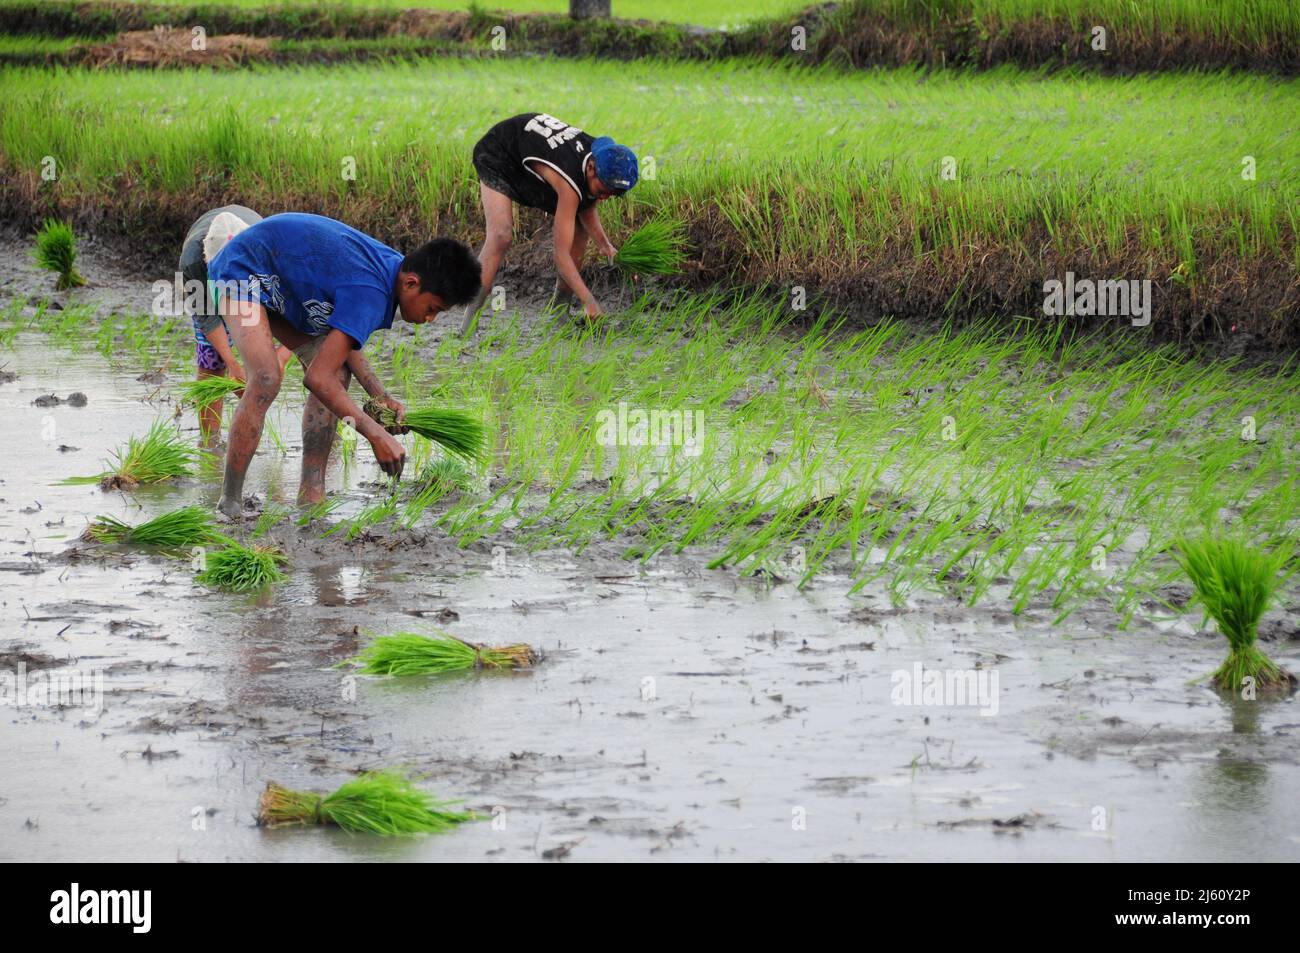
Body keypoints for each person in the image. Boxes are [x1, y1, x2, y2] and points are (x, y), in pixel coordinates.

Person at [207, 212, 481, 517]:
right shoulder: (372, 292)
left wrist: (380, 395)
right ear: (412, 283)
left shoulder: (392, 273)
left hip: (286, 286)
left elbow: (340, 347)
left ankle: (311, 495)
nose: (430, 320)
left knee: (337, 372)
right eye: (432, 309)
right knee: (267, 377)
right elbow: (316, 378)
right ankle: (229, 501)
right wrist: (376, 434)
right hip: (242, 271)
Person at [461, 112, 637, 334]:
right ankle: (467, 325)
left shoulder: (601, 157)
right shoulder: (570, 180)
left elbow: (588, 202)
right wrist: (589, 301)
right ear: (591, 168)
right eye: (603, 190)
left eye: (611, 195)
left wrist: (605, 245)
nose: (604, 197)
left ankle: (559, 314)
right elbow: (560, 255)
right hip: (499, 153)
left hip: (533, 152)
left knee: (579, 225)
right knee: (501, 235)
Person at [178, 205, 292, 446]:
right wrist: (232, 363)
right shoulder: (192, 262)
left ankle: (253, 435)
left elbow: (293, 311)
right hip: (206, 285)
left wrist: (280, 356)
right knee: (211, 362)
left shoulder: (271, 253)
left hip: (254, 280)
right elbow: (207, 317)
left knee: (260, 360)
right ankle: (210, 442)